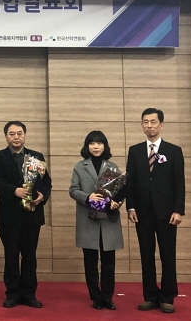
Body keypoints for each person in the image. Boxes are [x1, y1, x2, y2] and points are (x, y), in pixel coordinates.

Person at [126, 108, 185, 314]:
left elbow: (180, 184)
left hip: (167, 213)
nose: (149, 126)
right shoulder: (134, 151)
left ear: (161, 124)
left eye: (153, 122)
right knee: (146, 255)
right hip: (142, 212)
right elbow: (130, 182)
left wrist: (178, 210)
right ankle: (150, 296)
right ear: (142, 125)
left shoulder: (174, 151)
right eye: (145, 122)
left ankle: (167, 297)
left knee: (167, 255)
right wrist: (131, 206)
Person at [0, 121, 51, 309]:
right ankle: (12, 293)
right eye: (12, 133)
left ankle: (29, 293)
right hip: (9, 216)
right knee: (11, 255)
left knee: (30, 256)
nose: (16, 137)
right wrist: (14, 191)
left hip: (32, 215)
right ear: (6, 136)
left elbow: (46, 182)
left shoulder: (36, 156)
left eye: (19, 133)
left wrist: (42, 196)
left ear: (24, 135)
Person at [69, 131, 125, 310]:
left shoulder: (112, 167)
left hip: (108, 220)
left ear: (104, 146)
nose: (95, 147)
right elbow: (73, 190)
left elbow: (119, 192)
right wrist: (88, 197)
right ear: (87, 146)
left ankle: (108, 298)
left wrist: (117, 202)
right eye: (92, 143)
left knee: (109, 262)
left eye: (99, 143)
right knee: (90, 262)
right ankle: (96, 298)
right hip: (88, 219)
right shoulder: (80, 166)